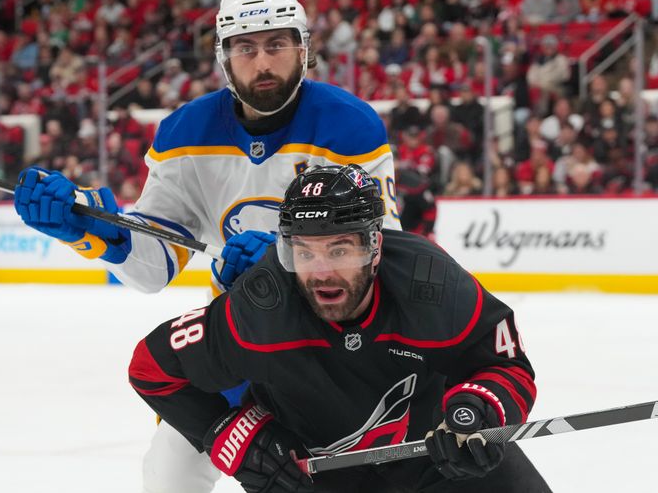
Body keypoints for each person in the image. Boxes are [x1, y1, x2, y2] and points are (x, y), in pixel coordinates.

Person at [13, 0, 402, 493]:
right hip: (237, 340)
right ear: (224, 56)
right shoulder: (185, 133)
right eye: (246, 48)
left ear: (303, 50)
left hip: (329, 346)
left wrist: (286, 267)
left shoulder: (349, 125)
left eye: (276, 44)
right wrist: (92, 231)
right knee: (168, 474)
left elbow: (382, 258)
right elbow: (154, 266)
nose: (262, 62)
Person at [129, 164, 551, 492]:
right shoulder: (263, 304)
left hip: (440, 457)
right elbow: (151, 367)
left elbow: (506, 365)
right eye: (304, 253)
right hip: (319, 476)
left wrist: (477, 412)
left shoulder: (430, 283)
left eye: (339, 250)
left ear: (375, 246)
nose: (321, 273)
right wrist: (236, 436)